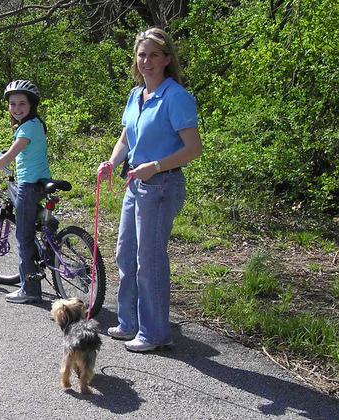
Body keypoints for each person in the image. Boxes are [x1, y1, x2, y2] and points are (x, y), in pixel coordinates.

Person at [97, 27, 202, 352]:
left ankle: (155, 333)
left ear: (167, 59)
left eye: (154, 55)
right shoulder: (135, 95)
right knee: (125, 254)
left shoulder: (176, 97)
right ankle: (130, 322)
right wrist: (113, 163)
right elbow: (126, 138)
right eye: (142, 55)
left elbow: (194, 148)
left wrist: (155, 166)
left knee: (149, 259)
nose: (147, 61)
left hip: (162, 185)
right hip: (136, 184)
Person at [0, 80, 51, 304]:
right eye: (12, 104)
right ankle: (51, 242)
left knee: (24, 237)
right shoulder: (36, 124)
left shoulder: (26, 128)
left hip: (28, 186)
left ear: (32, 105)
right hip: (41, 181)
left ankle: (30, 290)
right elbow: (21, 154)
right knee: (36, 227)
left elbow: (11, 155)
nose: (17, 108)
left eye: (22, 104)